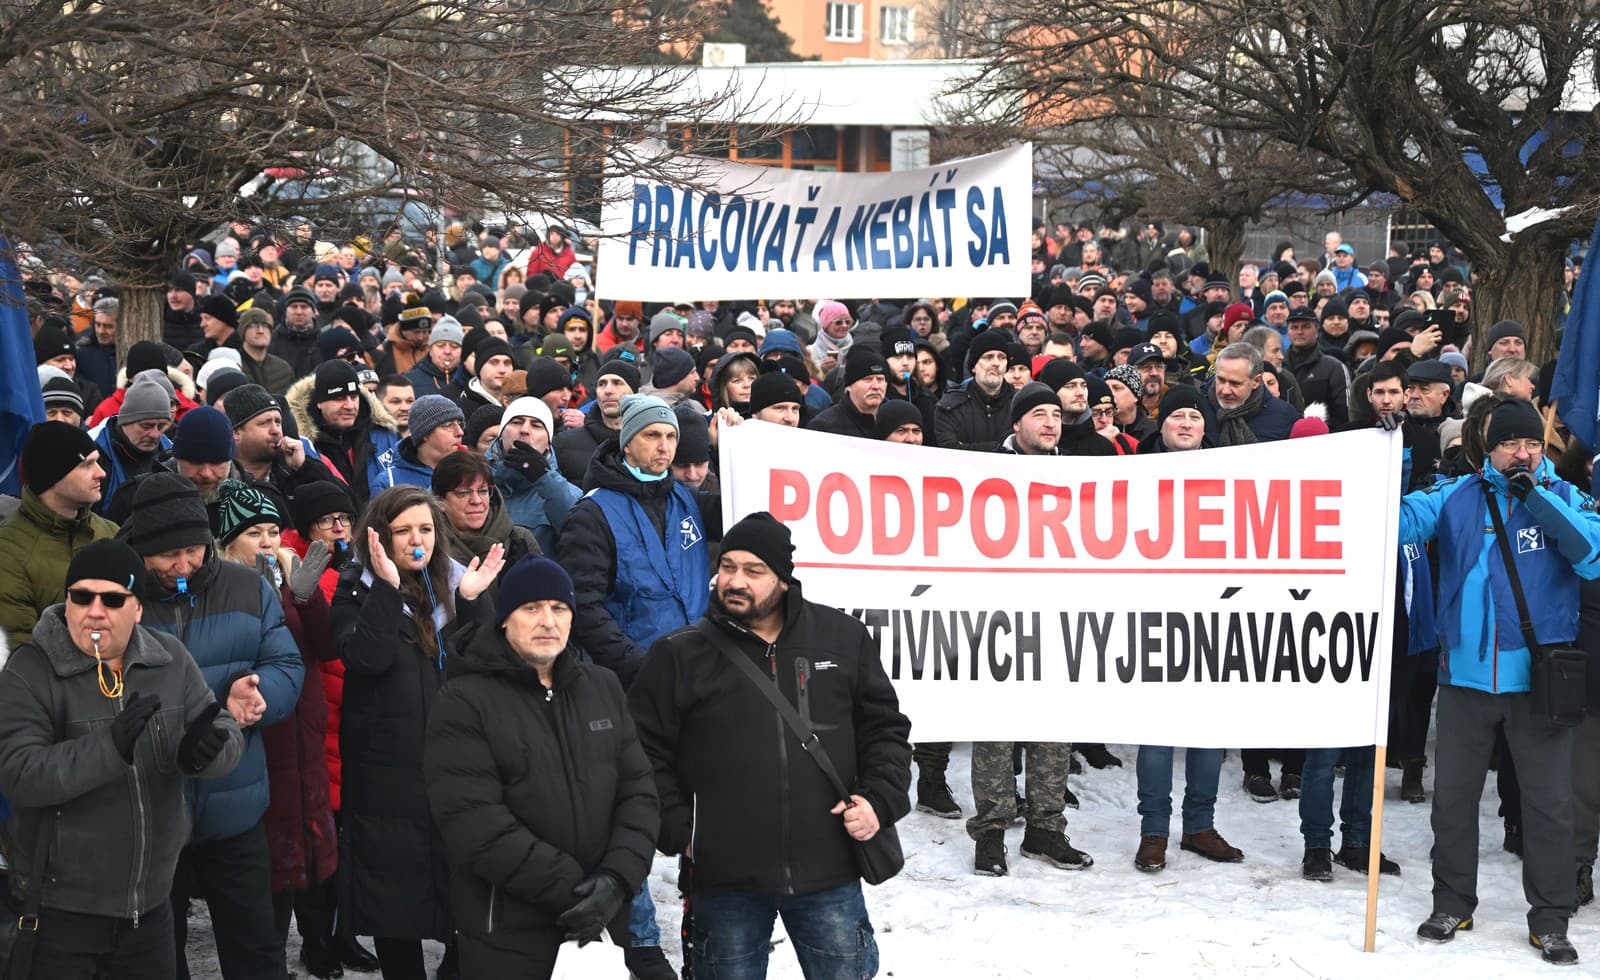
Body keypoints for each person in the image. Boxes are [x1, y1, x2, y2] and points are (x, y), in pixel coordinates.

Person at [629, 513, 912, 979]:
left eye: (754, 571)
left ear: (783, 580)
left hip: (828, 871)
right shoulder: (677, 654)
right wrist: (684, 831)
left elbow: (885, 731)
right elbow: (642, 755)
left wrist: (879, 800)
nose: (735, 580)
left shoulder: (842, 638)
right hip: (725, 882)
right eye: (728, 566)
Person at [1400, 399, 1600, 964]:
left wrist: (1534, 494)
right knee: (1454, 801)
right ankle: (1452, 901)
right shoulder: (1457, 494)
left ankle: (1551, 918)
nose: (1523, 452)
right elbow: (1399, 521)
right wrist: (1380, 461)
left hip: (1536, 682)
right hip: (1463, 677)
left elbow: (1591, 557)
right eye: (1512, 444)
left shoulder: (1563, 497)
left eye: (1532, 444)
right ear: (1489, 448)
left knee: (1548, 806)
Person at [0, 539, 244, 978]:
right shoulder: (29, 670)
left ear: (137, 609)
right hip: (61, 914)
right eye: (81, 596)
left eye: (113, 599)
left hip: (151, 909)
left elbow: (220, 726)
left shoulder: (170, 660)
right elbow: (20, 774)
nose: (95, 610)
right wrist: (108, 747)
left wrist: (204, 753)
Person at [424, 557, 658, 979]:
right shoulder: (463, 701)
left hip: (601, 925)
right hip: (509, 934)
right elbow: (474, 822)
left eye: (559, 608)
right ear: (503, 620)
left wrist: (616, 880)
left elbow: (639, 792)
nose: (547, 620)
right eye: (531, 608)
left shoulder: (601, 686)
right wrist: (578, 890)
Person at [333, 485, 504, 980]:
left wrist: (474, 604)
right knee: (393, 899)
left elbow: (487, 668)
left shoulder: (458, 584)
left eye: (425, 529)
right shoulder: (356, 586)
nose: (416, 540)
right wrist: (385, 591)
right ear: (380, 536)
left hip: (455, 768)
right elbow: (366, 658)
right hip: (387, 776)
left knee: (464, 894)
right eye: (403, 530)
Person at [212, 481, 343, 978]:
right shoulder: (223, 586)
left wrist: (307, 599)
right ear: (229, 542)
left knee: (295, 865)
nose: (267, 541)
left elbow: (327, 647)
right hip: (258, 737)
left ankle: (290, 954)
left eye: (271, 530)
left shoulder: (293, 579)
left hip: (301, 735)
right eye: (253, 533)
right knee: (261, 870)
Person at [0, 421, 119, 647]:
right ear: (53, 475)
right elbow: (19, 652)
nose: (101, 473)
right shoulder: (8, 551)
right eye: (87, 464)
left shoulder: (111, 533)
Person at [287, 360, 404, 509]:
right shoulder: (301, 445)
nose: (349, 406)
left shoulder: (384, 433)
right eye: (339, 398)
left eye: (354, 397)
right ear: (319, 403)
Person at [433, 450, 538, 583]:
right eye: (464, 493)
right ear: (440, 501)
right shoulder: (431, 546)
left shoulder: (521, 540)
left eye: (483, 491)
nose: (476, 501)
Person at [91, 371, 175, 515]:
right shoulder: (96, 453)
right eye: (146, 426)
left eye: (161, 426)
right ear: (125, 421)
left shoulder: (171, 453)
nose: (155, 434)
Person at [1199, 342, 1301, 445]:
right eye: (1221, 380)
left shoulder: (1283, 416)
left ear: (1256, 381)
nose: (1225, 391)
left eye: (1235, 383)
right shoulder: (1196, 411)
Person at [934, 331, 1015, 451]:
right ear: (973, 366)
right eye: (988, 357)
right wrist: (1004, 448)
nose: (996, 363)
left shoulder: (1021, 403)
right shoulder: (950, 406)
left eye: (1001, 357)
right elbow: (950, 452)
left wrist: (967, 447)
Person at [370, 393, 465, 492]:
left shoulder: (470, 474)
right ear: (424, 434)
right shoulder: (389, 482)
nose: (460, 432)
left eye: (459, 424)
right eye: (448, 425)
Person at [807, 348, 888, 439]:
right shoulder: (823, 426)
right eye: (867, 380)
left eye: (880, 379)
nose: (876, 386)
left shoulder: (894, 420)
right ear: (849, 386)